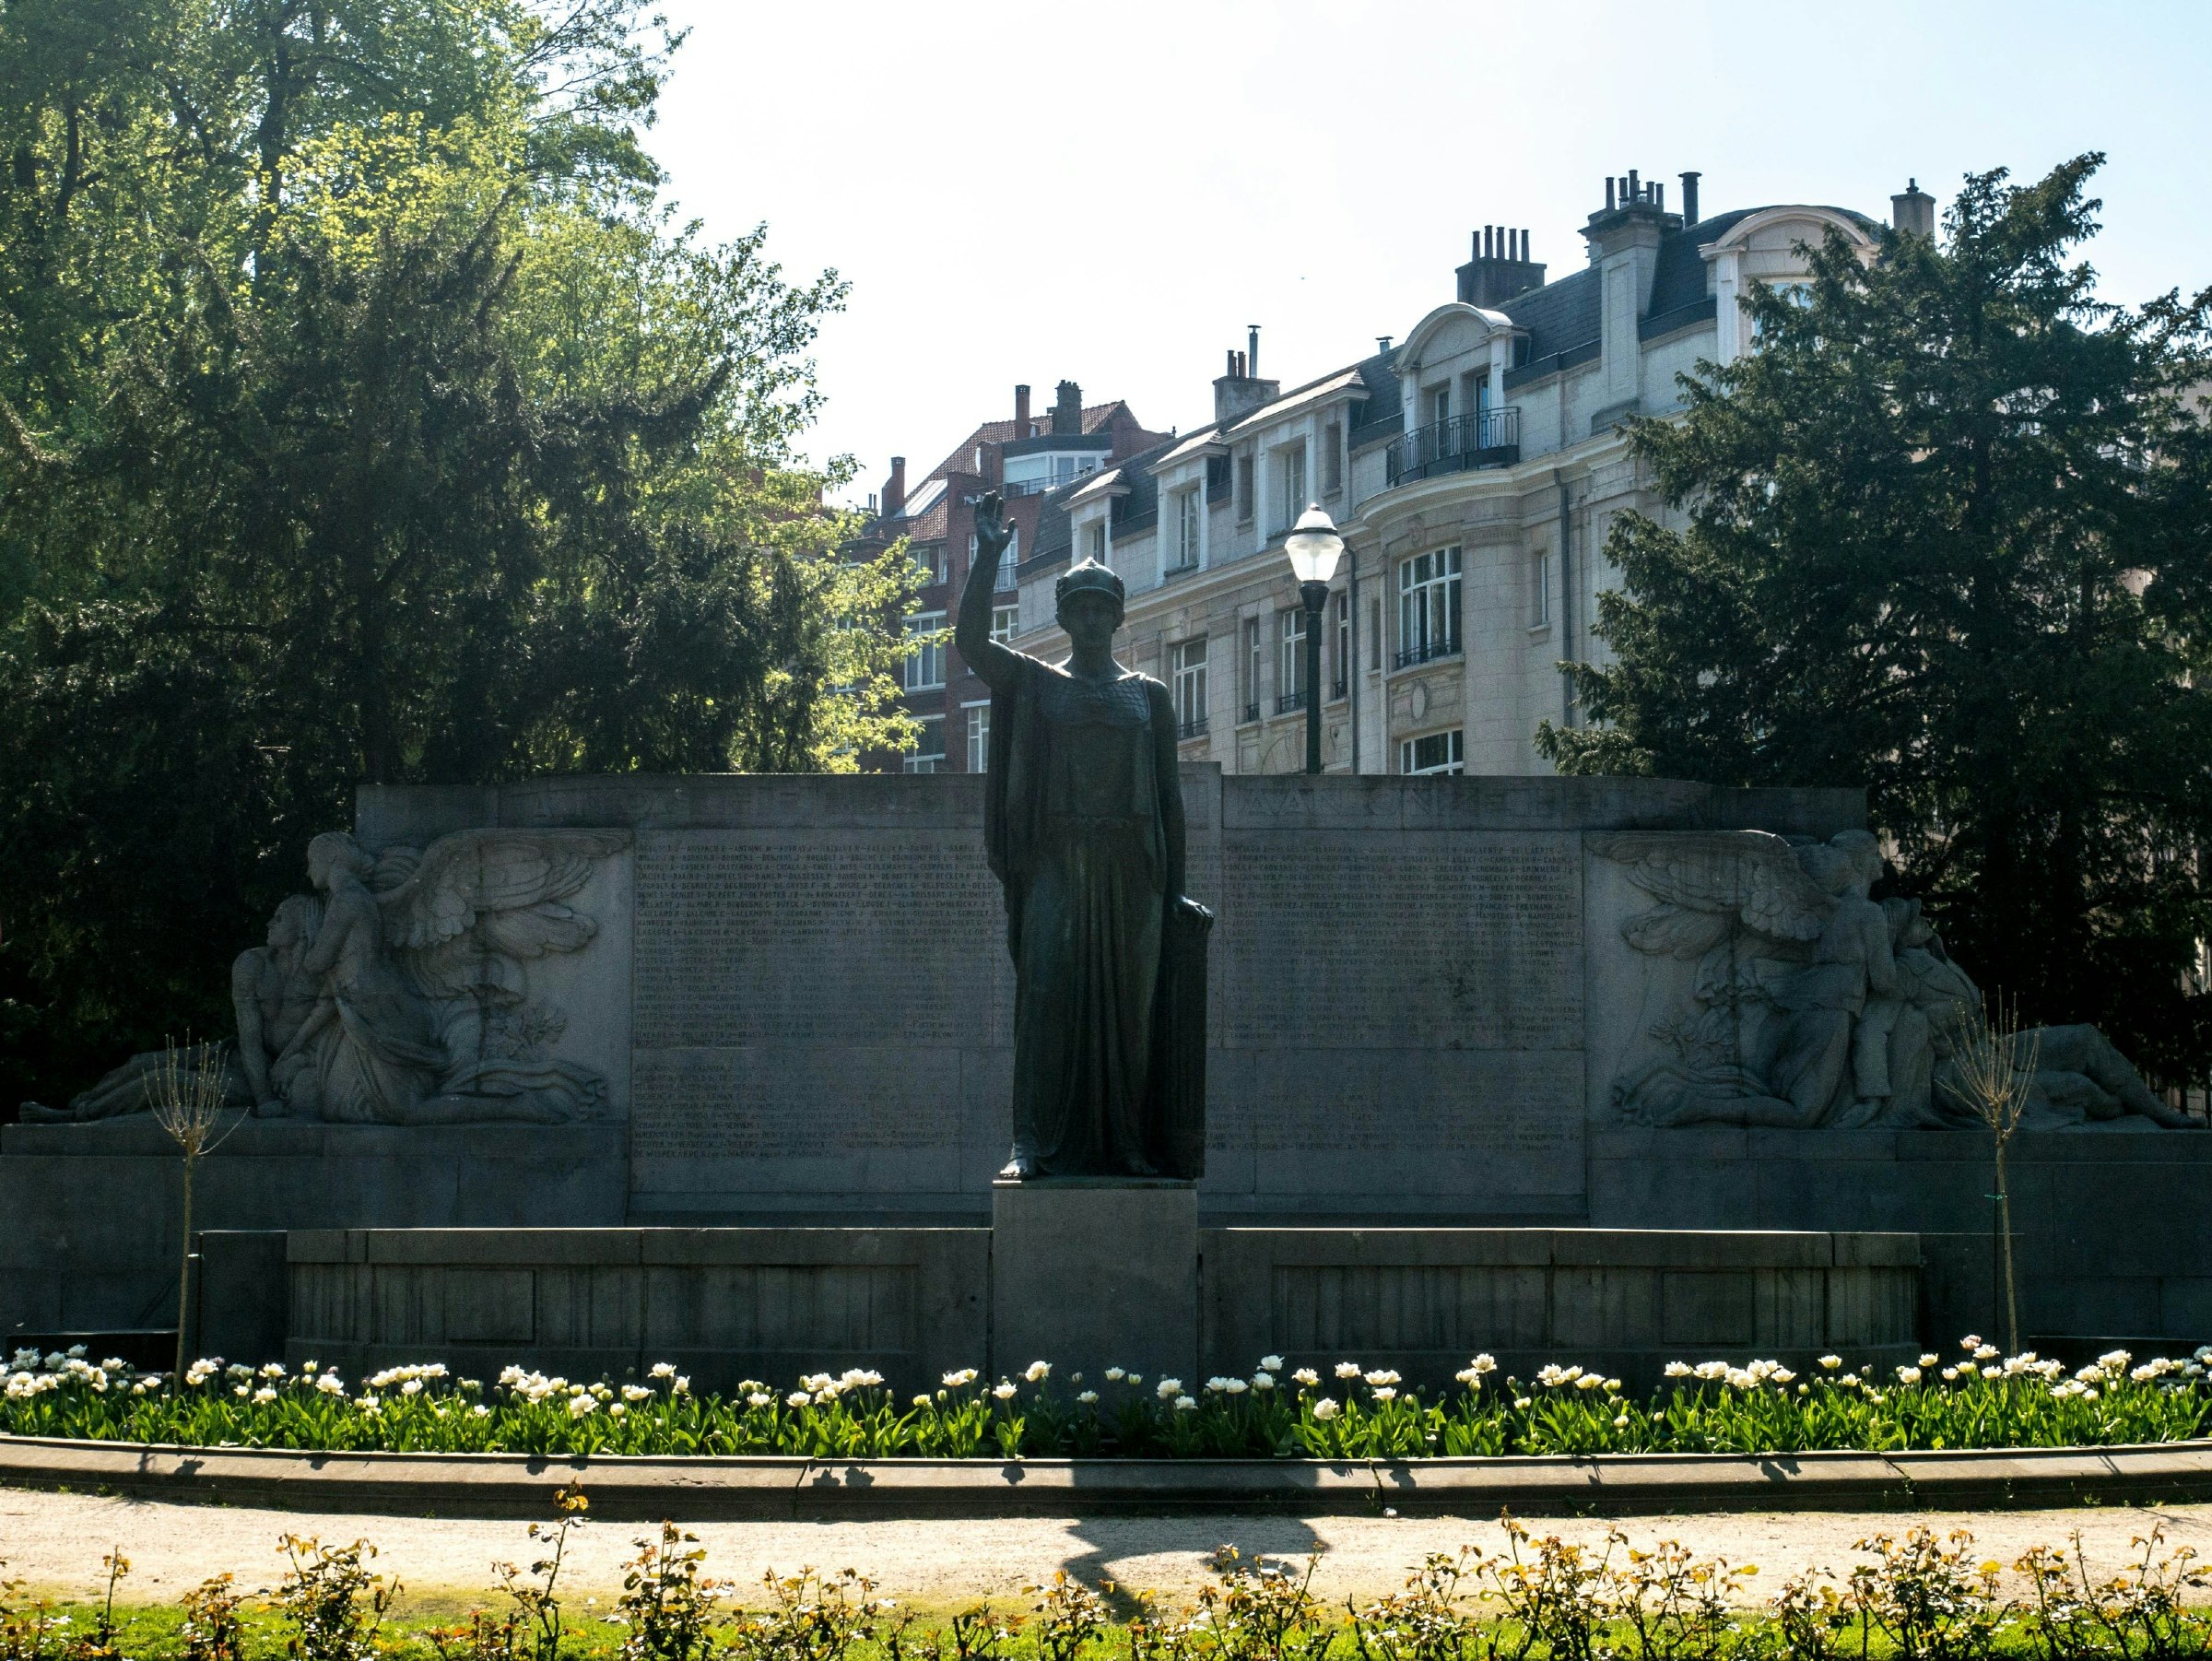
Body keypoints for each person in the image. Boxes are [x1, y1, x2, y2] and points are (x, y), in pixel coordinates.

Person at [958, 491, 1188, 1178]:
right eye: (1079, 608)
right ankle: (1029, 1143)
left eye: (1102, 609)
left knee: (1129, 1018)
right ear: (1062, 618)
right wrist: (988, 559)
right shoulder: (1037, 685)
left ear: (1117, 618)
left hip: (1130, 872)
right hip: (1058, 863)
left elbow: (1172, 804)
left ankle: (1127, 1144)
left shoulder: (1149, 697)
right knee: (1046, 1003)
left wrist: (1176, 894)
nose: (1091, 619)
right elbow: (970, 644)